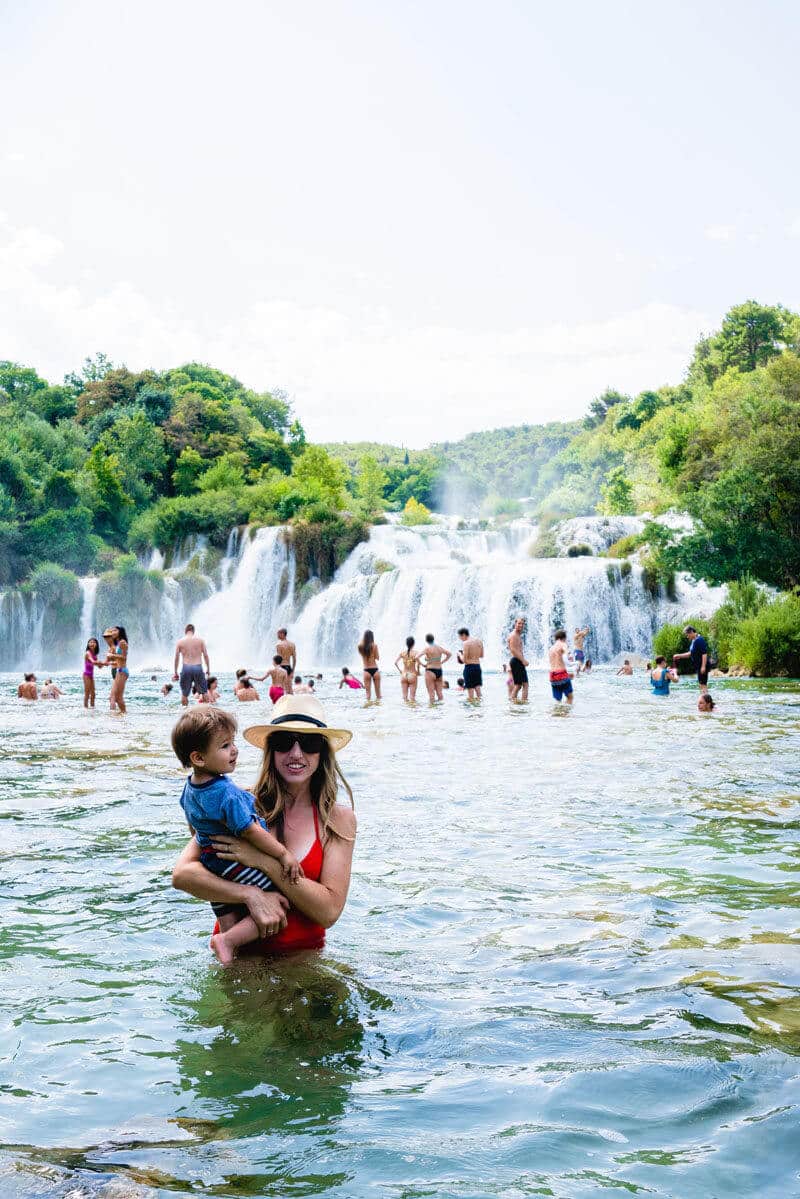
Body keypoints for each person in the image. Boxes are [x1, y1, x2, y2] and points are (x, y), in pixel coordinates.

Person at [171, 695, 356, 961]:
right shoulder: (239, 804)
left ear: (324, 752)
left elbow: (328, 912)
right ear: (270, 750)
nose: (295, 753)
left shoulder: (338, 820)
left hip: (301, 963)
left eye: (309, 743)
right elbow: (183, 875)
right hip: (237, 963)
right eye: (283, 742)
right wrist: (250, 894)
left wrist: (264, 863)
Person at [171, 707, 303, 965]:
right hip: (236, 864)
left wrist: (206, 841)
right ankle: (228, 941)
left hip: (212, 864)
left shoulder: (191, 787)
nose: (234, 750)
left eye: (233, 743)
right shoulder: (227, 793)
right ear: (198, 757)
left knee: (227, 916)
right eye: (225, 745)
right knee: (282, 900)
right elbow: (249, 831)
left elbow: (193, 825)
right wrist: (283, 854)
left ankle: (231, 958)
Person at [173, 623, 210, 707]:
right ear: (193, 631)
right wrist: (208, 668)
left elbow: (176, 657)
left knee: (184, 694)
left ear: (185, 631)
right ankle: (206, 713)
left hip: (186, 667)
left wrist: (175, 672)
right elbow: (206, 655)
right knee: (204, 692)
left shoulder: (180, 642)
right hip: (198, 666)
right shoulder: (200, 640)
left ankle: (185, 711)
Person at [673, 626, 711, 695]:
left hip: (702, 665)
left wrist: (703, 666)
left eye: (687, 635)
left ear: (691, 632)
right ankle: (704, 698)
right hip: (699, 665)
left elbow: (704, 654)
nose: (687, 637)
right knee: (701, 684)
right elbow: (690, 653)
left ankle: (706, 701)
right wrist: (679, 656)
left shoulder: (699, 640)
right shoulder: (694, 640)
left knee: (703, 684)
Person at [418, 633, 451, 702]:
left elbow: (416, 657)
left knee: (431, 694)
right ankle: (441, 711)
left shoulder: (427, 648)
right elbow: (449, 654)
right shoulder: (439, 648)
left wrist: (423, 665)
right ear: (433, 639)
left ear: (426, 640)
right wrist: (442, 662)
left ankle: (432, 711)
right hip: (439, 670)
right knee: (440, 694)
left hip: (430, 670)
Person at [104, 626, 130, 714]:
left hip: (123, 670)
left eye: (115, 630)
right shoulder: (118, 643)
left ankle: (124, 714)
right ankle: (117, 715)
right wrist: (110, 658)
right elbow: (118, 659)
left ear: (120, 632)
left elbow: (124, 657)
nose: (112, 632)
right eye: (111, 631)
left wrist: (112, 656)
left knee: (118, 697)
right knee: (112, 696)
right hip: (120, 670)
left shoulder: (123, 642)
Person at [548, 630, 574, 704]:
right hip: (562, 674)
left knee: (558, 700)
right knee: (570, 697)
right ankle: (566, 714)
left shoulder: (551, 648)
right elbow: (566, 657)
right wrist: (571, 662)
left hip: (552, 676)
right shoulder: (562, 644)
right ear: (563, 638)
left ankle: (558, 714)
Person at [507, 618, 529, 703]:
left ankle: (513, 701)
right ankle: (523, 702)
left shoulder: (517, 635)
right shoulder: (513, 635)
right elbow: (513, 650)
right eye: (519, 623)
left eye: (522, 624)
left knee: (519, 685)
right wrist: (523, 660)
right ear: (515, 624)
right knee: (525, 685)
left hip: (516, 661)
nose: (521, 625)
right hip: (517, 661)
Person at [458, 628, 484, 700]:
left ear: (463, 635)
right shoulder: (479, 641)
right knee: (478, 691)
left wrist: (460, 655)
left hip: (469, 668)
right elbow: (481, 655)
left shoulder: (466, 643)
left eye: (460, 637)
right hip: (478, 667)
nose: (461, 639)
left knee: (470, 694)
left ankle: (471, 710)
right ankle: (480, 709)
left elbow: (464, 660)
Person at [358, 629, 381, 700]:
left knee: (368, 695)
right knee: (378, 695)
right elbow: (377, 658)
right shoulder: (374, 645)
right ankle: (378, 710)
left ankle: (368, 710)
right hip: (375, 670)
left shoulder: (360, 646)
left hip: (366, 671)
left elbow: (361, 654)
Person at [395, 636, 420, 702]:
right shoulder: (416, 653)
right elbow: (418, 663)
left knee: (405, 698)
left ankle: (405, 711)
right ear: (413, 644)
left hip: (404, 675)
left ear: (406, 644)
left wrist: (400, 671)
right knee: (412, 698)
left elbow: (395, 663)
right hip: (412, 674)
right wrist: (418, 671)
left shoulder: (402, 653)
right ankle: (412, 711)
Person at [83, 638, 105, 709]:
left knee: (93, 694)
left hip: (91, 676)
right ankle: (85, 709)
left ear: (96, 645)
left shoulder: (94, 654)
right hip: (86, 675)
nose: (92, 643)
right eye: (90, 642)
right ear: (88, 644)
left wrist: (105, 663)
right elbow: (92, 661)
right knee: (87, 693)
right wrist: (101, 662)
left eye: (94, 642)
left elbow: (99, 667)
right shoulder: (88, 653)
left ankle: (92, 709)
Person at [275, 629, 297, 694]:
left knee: (283, 689)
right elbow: (294, 659)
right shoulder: (292, 644)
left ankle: (283, 703)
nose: (277, 635)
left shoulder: (279, 645)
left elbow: (278, 660)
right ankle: (293, 703)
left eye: (278, 633)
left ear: (282, 634)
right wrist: (293, 671)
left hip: (282, 667)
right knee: (290, 689)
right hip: (289, 667)